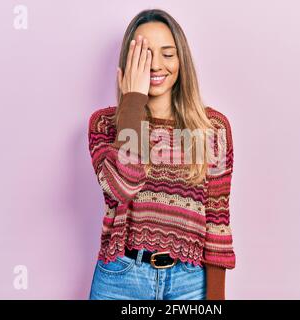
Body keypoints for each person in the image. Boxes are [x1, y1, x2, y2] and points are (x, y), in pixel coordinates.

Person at [87, 8, 235, 300]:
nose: (155, 65)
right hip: (121, 278)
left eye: (168, 54)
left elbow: (218, 220)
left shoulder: (213, 129)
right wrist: (132, 101)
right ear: (127, 64)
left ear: (182, 61)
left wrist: (216, 299)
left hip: (190, 283)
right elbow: (123, 185)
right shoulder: (104, 125)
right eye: (143, 55)